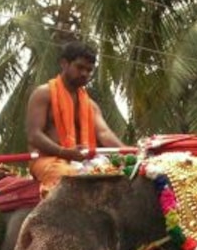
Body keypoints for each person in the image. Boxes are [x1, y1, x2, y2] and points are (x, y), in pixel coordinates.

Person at [25, 41, 125, 195]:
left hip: (82, 161)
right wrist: (64, 152)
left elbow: (104, 134)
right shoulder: (43, 94)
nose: (84, 73)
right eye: (80, 67)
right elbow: (34, 135)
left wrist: (129, 153)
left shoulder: (90, 105)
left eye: (89, 70)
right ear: (64, 64)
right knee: (69, 178)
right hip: (48, 160)